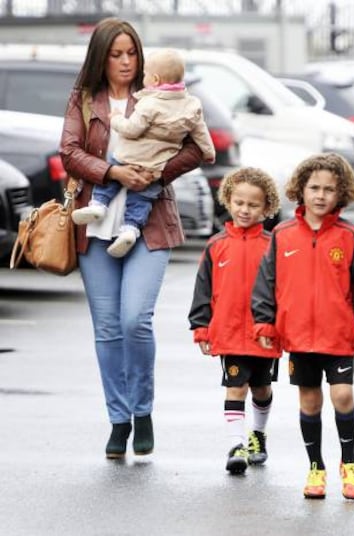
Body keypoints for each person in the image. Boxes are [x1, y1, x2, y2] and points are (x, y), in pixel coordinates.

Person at [60, 17, 204, 460]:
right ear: (101, 58)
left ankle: (143, 411)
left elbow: (198, 148)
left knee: (133, 319)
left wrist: (156, 173)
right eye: (116, 54)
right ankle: (118, 421)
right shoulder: (85, 99)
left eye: (132, 54)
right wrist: (112, 172)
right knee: (107, 330)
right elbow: (68, 151)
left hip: (149, 222)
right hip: (95, 224)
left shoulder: (166, 95)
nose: (125, 62)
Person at [251, 153, 354, 499]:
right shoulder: (281, 235)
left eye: (329, 189)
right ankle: (316, 468)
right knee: (309, 403)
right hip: (296, 336)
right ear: (301, 189)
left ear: (342, 194)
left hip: (338, 335)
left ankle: (349, 464)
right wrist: (265, 324)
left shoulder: (350, 236)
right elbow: (266, 283)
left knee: (342, 395)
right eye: (314, 188)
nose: (321, 195)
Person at [71, 47, 215, 258]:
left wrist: (117, 119)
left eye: (145, 73)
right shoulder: (191, 104)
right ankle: (130, 229)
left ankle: (99, 205)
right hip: (155, 167)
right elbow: (201, 133)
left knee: (112, 171)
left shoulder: (149, 103)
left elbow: (132, 129)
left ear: (155, 79)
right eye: (116, 54)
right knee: (141, 200)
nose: (127, 62)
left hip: (129, 156)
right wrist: (209, 152)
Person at [188, 167, 282, 475]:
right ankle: (236, 444)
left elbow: (285, 289)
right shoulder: (216, 245)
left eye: (253, 205)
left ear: (266, 208)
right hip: (229, 333)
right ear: (228, 200)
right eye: (239, 202)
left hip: (264, 333)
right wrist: (201, 326)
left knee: (261, 389)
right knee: (235, 387)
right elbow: (203, 288)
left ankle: (258, 434)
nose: (245, 210)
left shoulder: (273, 245)